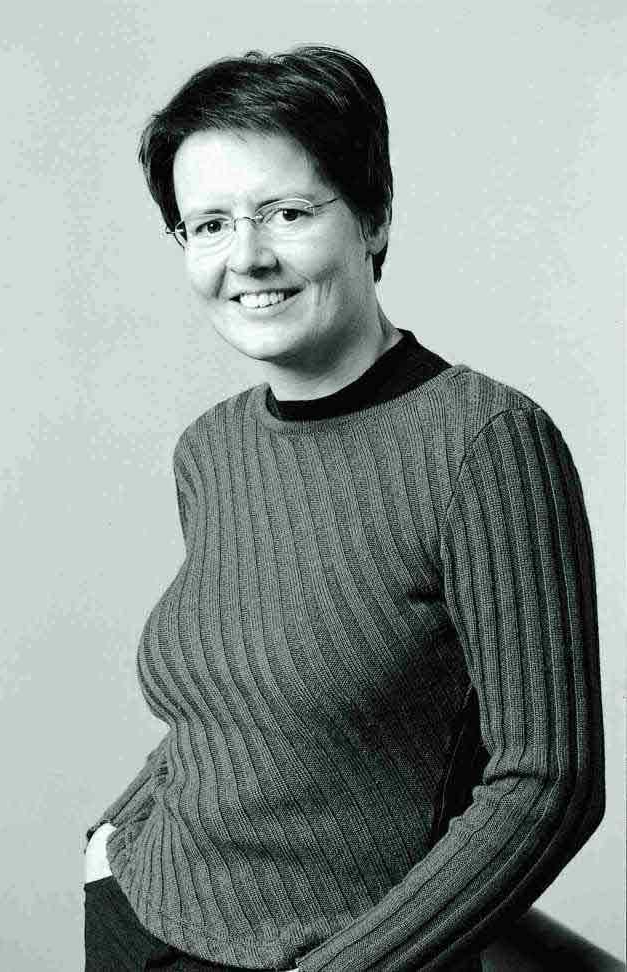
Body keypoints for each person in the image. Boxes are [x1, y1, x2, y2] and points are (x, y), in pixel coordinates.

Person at [83, 45, 606, 972]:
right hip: (139, 919)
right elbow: (228, 717)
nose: (247, 256)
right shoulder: (212, 448)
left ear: (373, 217)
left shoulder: (485, 443)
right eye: (209, 224)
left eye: (287, 212)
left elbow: (548, 783)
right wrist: (111, 841)